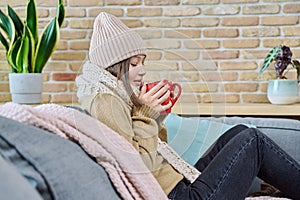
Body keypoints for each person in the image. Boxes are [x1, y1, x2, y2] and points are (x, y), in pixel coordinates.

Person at [76, 12, 300, 199]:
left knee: (240, 132)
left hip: (180, 186)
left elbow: (151, 148)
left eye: (143, 62)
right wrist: (145, 115)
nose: (142, 70)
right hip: (180, 196)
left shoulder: (119, 94)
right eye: (134, 64)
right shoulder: (105, 101)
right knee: (252, 141)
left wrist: (155, 116)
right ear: (113, 66)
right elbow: (136, 168)